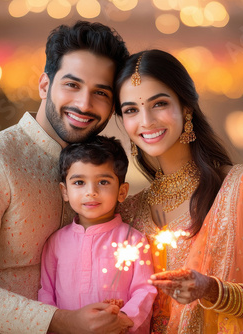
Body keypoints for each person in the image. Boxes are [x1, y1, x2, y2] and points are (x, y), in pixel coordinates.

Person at [0, 21, 131, 334]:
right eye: (72, 85)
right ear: (45, 85)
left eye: (100, 92)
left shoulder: (91, 171)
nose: (85, 104)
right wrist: (60, 322)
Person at [115, 49, 243, 333]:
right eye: (131, 110)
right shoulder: (126, 212)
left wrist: (214, 291)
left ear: (186, 108)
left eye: (159, 103)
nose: (146, 120)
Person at [38, 135, 157, 333]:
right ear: (64, 191)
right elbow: (46, 293)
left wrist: (123, 319)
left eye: (103, 182)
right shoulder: (55, 242)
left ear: (121, 191)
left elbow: (145, 290)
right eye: (79, 183)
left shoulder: (134, 240)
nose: (91, 192)